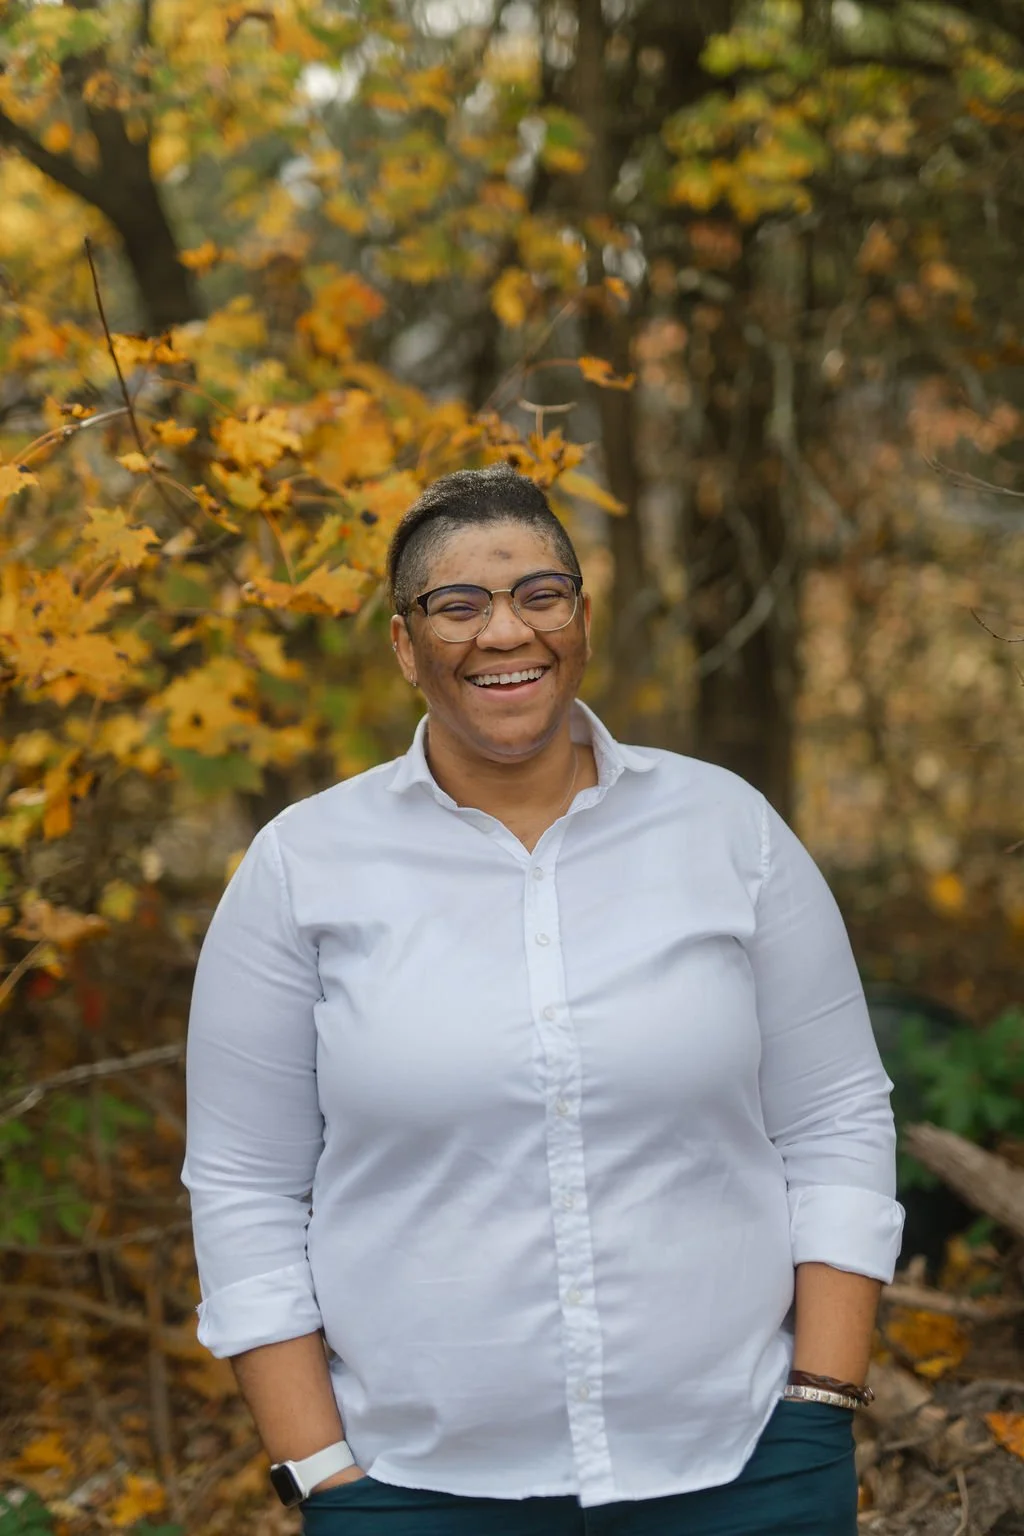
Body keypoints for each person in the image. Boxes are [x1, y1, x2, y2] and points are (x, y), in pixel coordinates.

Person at [182, 464, 905, 1536]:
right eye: (457, 605)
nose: (503, 631)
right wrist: (323, 1476)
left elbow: (836, 1115)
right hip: (417, 1488)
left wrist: (820, 1404)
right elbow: (243, 1185)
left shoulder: (727, 832)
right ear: (404, 643)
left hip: (743, 1469)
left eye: (538, 594)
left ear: (579, 619)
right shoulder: (302, 868)